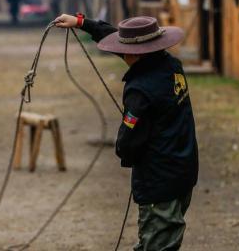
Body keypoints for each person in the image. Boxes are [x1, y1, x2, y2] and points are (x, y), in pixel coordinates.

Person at [54, 13, 198, 251]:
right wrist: (81, 23)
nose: (119, 51)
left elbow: (128, 144)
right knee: (157, 241)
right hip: (183, 173)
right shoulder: (171, 65)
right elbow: (117, 39)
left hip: (158, 182)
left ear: (136, 53)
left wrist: (122, 148)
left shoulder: (140, 91)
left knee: (157, 245)